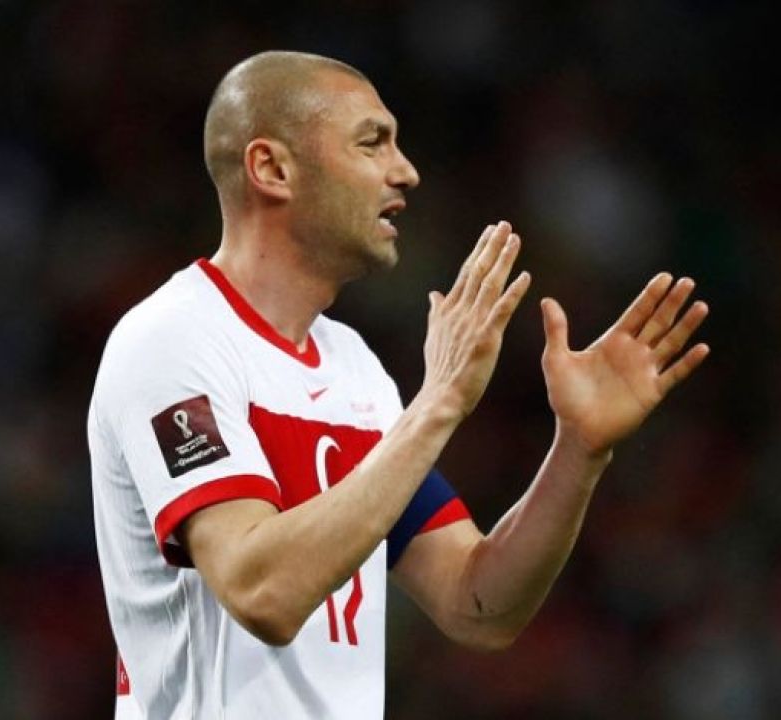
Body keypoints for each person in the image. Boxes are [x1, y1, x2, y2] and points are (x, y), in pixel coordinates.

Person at [87, 50, 709, 720]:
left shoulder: (354, 368)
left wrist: (578, 450)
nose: (405, 171)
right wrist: (438, 403)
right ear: (271, 169)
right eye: (371, 143)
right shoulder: (172, 340)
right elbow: (261, 592)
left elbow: (477, 604)